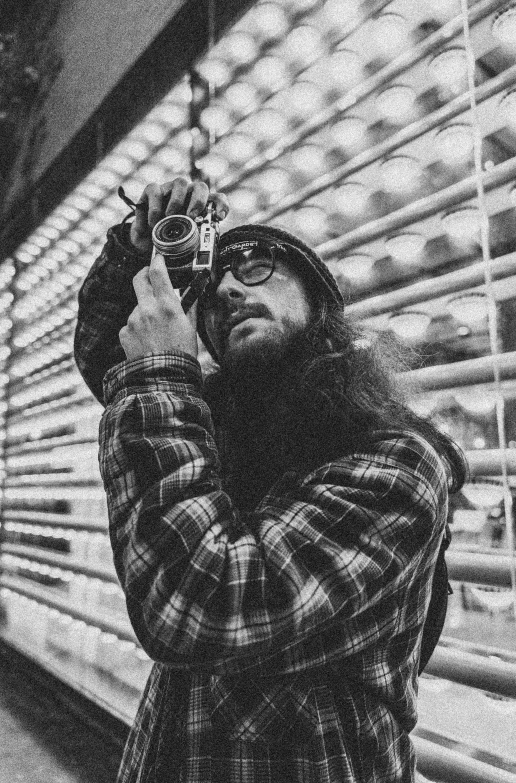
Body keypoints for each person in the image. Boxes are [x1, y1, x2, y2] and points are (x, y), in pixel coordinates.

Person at [74, 176, 466, 783]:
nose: (228, 288)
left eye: (257, 267)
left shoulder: (398, 463)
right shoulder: (222, 434)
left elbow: (205, 603)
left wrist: (159, 375)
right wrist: (135, 248)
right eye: (212, 285)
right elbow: (110, 359)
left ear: (321, 305)